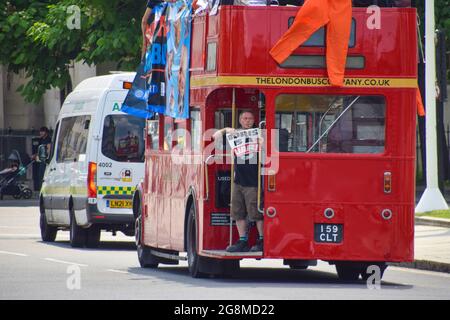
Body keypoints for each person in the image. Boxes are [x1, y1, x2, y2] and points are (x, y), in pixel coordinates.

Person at [213, 111, 264, 252]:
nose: (247, 121)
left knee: (256, 213)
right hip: (238, 180)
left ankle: (261, 239)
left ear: (254, 120)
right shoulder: (235, 134)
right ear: (240, 120)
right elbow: (215, 137)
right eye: (244, 118)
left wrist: (262, 142)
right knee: (237, 212)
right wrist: (225, 130)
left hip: (254, 180)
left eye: (250, 118)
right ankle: (243, 241)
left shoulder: (259, 134)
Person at [33, 127, 52, 191]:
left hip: (45, 160)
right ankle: (40, 188)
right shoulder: (41, 140)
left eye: (42, 131)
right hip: (40, 159)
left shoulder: (48, 139)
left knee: (43, 174)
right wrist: (35, 155)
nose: (40, 133)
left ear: (46, 132)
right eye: (40, 131)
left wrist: (47, 157)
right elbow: (39, 150)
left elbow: (49, 149)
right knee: (39, 175)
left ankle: (44, 189)